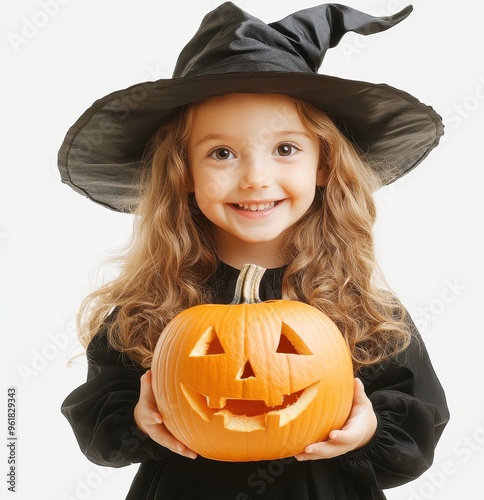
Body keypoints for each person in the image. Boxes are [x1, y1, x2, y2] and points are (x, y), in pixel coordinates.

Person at [60, 3, 449, 499]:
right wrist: (139, 419)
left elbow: (418, 429)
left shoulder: (362, 306)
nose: (256, 178)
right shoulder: (151, 302)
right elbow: (100, 420)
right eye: (221, 153)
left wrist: (369, 430)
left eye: (285, 149)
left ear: (324, 165)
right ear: (184, 173)